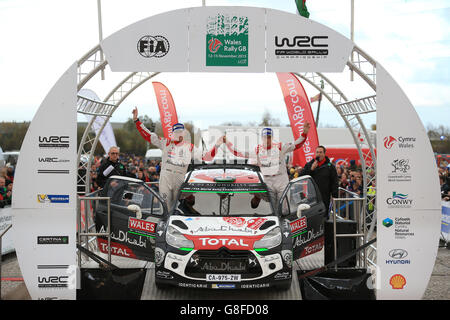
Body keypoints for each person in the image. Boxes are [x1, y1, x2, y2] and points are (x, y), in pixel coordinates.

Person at [133, 107, 224, 211]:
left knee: (175, 207)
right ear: (173, 133)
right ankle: (164, 225)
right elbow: (148, 136)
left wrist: (216, 145)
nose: (179, 134)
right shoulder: (166, 143)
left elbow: (207, 157)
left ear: (184, 133)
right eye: (176, 132)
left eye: (181, 132)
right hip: (165, 177)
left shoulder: (190, 147)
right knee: (165, 206)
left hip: (179, 177)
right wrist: (137, 121)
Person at [225, 122, 310, 210]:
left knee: (283, 207)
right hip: (268, 180)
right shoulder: (258, 150)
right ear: (262, 138)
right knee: (273, 208)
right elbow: (240, 153)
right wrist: (227, 143)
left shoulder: (280, 146)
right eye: (265, 137)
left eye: (269, 137)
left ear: (272, 138)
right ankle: (258, 199)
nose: (267, 139)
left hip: (281, 180)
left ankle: (283, 221)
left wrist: (305, 133)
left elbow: (297, 144)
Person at [299, 145, 338, 217]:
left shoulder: (330, 166)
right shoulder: (310, 164)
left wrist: (334, 195)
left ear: (324, 154)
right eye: (317, 152)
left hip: (325, 195)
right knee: (313, 214)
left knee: (324, 214)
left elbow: (334, 181)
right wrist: (311, 169)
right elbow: (301, 176)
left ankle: (324, 226)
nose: (319, 154)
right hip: (312, 195)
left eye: (320, 152)